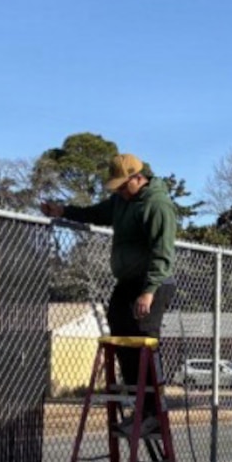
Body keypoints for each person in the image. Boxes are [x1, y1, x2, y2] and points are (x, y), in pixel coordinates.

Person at [42, 153, 180, 423]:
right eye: (114, 187)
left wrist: (149, 291)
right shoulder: (121, 200)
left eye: (121, 185)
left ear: (138, 178)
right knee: (118, 332)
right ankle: (138, 403)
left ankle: (153, 410)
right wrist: (64, 211)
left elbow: (162, 253)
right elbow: (96, 212)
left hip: (153, 282)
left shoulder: (157, 205)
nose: (118, 191)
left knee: (144, 342)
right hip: (127, 284)